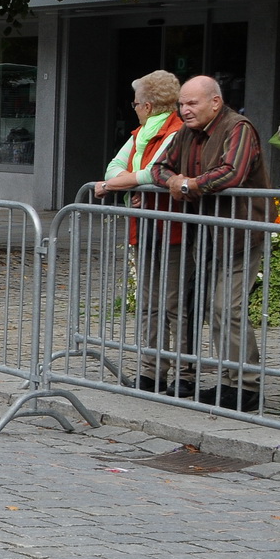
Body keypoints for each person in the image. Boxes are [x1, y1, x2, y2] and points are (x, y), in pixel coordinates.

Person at [151, 76, 270, 412]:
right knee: (213, 310)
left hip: (240, 234)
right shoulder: (185, 134)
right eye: (182, 104)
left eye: (192, 103)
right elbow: (158, 167)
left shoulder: (238, 127)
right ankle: (230, 383)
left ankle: (246, 387)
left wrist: (188, 185)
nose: (185, 110)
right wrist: (174, 179)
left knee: (227, 308)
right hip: (205, 235)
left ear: (215, 102)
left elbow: (231, 172)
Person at [93, 71, 186, 395]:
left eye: (135, 103)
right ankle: (151, 372)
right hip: (145, 227)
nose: (134, 108)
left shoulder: (176, 131)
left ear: (147, 104)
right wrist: (135, 182)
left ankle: (183, 374)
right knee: (148, 302)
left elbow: (156, 173)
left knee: (174, 304)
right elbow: (113, 168)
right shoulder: (140, 133)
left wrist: (132, 182)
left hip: (174, 227)